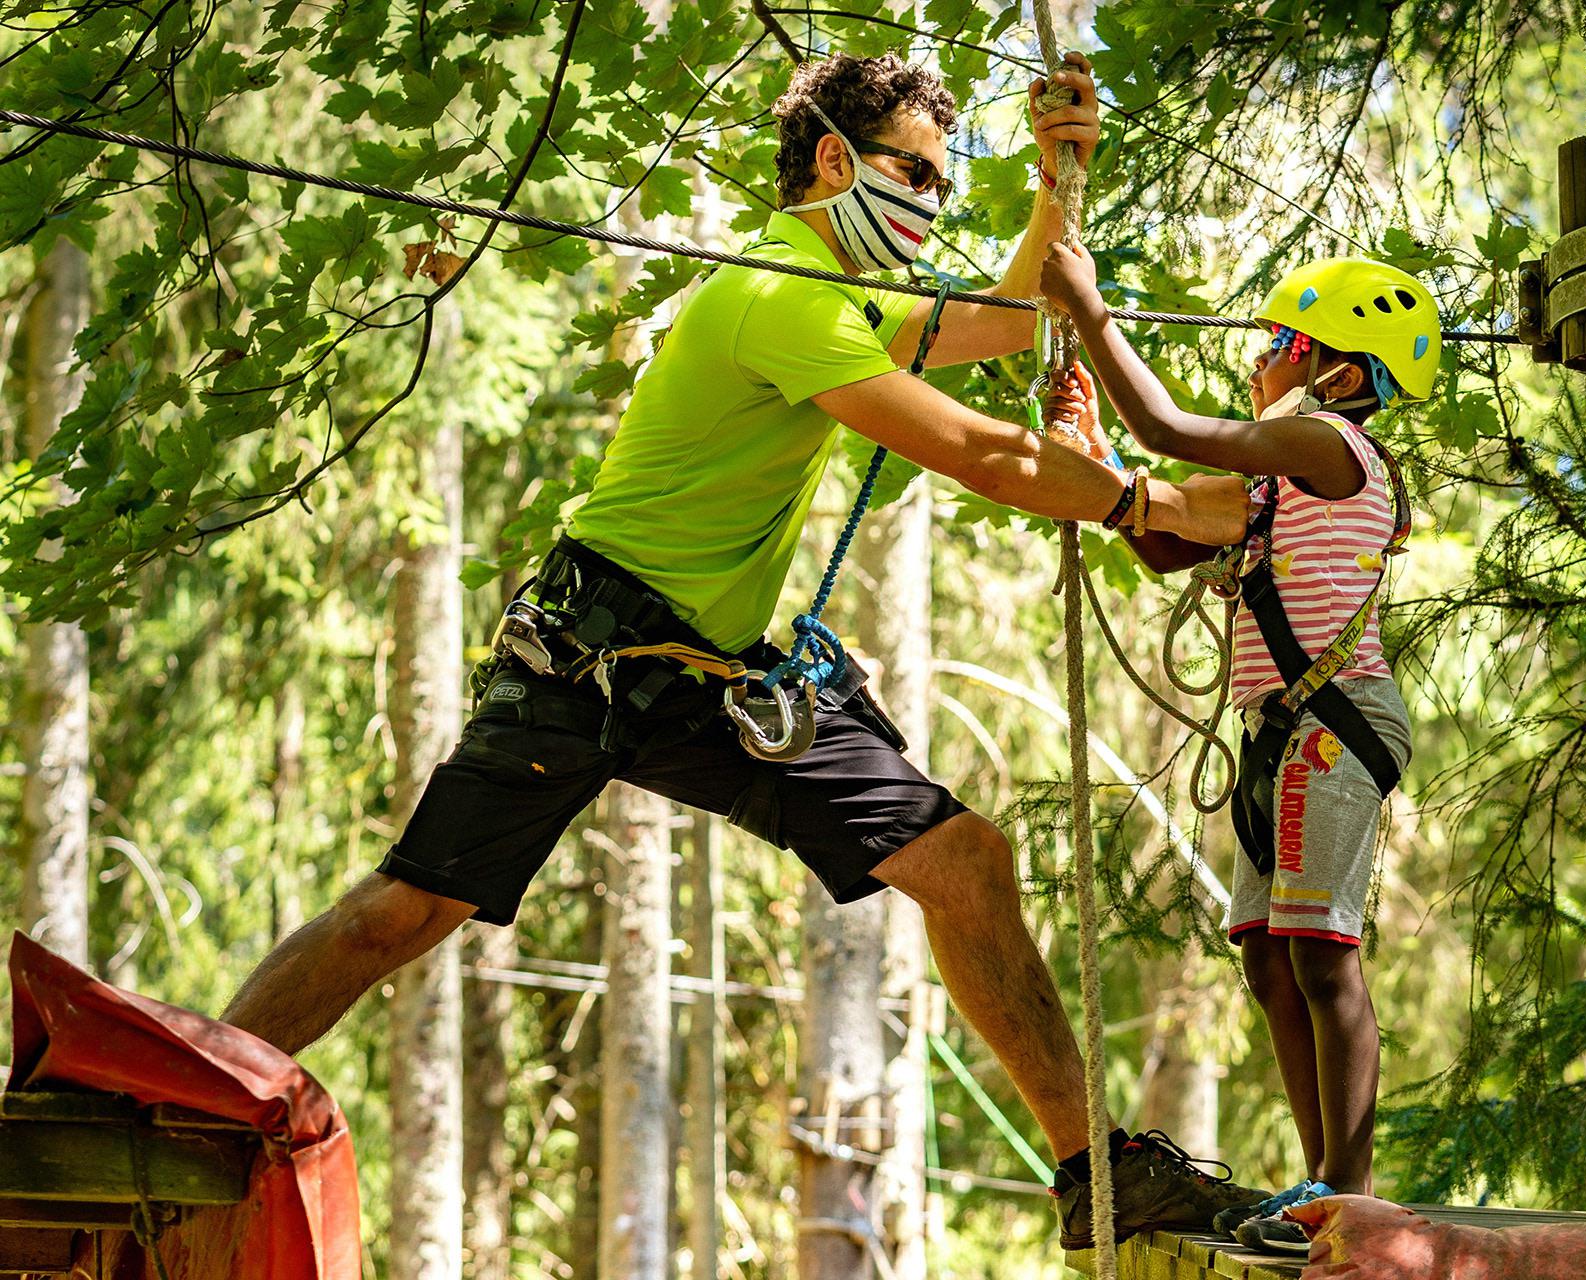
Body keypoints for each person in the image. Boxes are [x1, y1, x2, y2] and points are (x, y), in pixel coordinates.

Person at [218, 50, 1263, 1251]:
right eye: (916, 176)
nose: (931, 204)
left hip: (706, 670)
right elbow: (985, 451)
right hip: (589, 653)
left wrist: (1058, 178)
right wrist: (1149, 506)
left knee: (965, 862)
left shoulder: (841, 299)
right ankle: (186, 1088)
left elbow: (1002, 319)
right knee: (407, 909)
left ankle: (1098, 1174)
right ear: (833, 160)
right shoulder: (783, 297)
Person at [1039, 241, 1442, 1253]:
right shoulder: (1280, 485)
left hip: (1335, 717)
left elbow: (1172, 430)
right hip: (1286, 731)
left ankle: (1353, 1190)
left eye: (1277, 344)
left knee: (1321, 956)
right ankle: (1321, 1172)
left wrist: (1088, 307)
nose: (1257, 358)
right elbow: (1167, 540)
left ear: (1337, 374)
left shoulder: (1332, 447)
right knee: (1270, 960)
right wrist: (1092, 457)